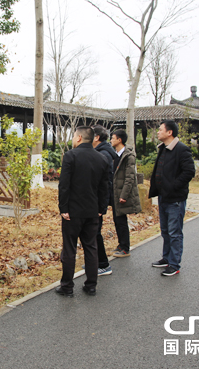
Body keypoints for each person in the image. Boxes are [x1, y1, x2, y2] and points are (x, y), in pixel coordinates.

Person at [56, 126, 111, 297]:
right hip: (92, 211)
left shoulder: (71, 156)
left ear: (79, 137)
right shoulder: (102, 158)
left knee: (70, 248)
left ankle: (67, 286)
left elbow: (64, 185)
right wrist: (101, 209)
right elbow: (105, 187)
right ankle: (91, 285)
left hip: (72, 212)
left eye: (73, 136)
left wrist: (63, 208)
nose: (73, 139)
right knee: (91, 247)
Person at [148, 121, 195, 276]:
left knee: (175, 232)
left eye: (160, 129)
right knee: (165, 230)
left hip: (175, 198)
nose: (158, 132)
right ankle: (166, 258)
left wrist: (173, 186)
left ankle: (174, 264)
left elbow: (189, 172)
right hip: (163, 197)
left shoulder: (182, 150)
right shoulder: (163, 149)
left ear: (169, 132)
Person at [110, 129, 142, 257]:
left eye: (113, 138)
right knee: (117, 220)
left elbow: (130, 178)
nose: (111, 140)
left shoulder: (128, 156)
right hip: (115, 192)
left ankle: (125, 248)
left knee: (121, 220)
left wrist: (124, 195)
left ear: (119, 140)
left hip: (121, 194)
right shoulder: (116, 154)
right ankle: (121, 244)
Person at [91, 125, 117, 276]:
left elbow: (104, 183)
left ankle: (103, 264)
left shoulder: (104, 155)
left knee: (95, 233)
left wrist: (101, 208)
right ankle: (96, 262)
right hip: (96, 202)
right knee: (93, 233)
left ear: (96, 137)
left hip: (97, 203)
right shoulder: (102, 152)